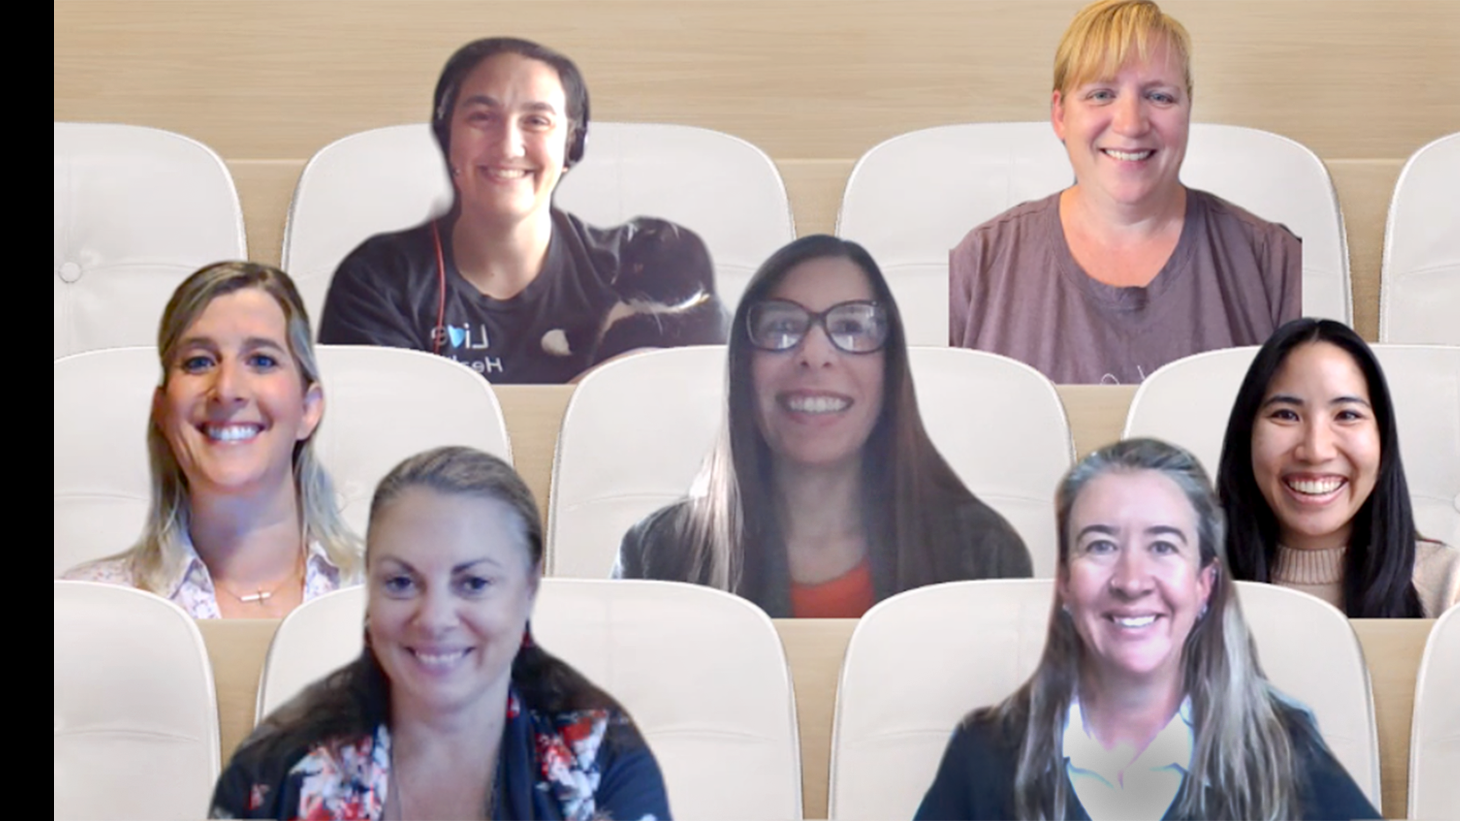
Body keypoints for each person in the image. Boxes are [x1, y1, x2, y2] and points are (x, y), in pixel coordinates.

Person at [914, 439, 1379, 821]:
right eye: (1100, 545)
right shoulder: (984, 755)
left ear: (1205, 585)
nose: (1131, 580)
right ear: (1065, 584)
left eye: (1162, 545)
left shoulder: (1283, 749)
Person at [211, 446, 670, 820]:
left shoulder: (603, 763)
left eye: (473, 584)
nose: (433, 619)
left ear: (528, 588)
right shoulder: (275, 769)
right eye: (401, 582)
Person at [615, 235, 1031, 617]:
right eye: (781, 327)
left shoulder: (984, 556)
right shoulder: (656, 557)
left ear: (890, 368)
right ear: (743, 366)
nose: (814, 354)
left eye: (851, 327)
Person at [319, 37, 728, 384]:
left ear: (571, 147)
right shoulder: (378, 283)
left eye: (536, 121)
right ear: (447, 139)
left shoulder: (634, 267)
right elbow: (382, 438)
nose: (508, 147)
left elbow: (703, 406)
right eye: (482, 117)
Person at [948, 0, 1300, 385]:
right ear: (1060, 114)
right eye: (1101, 94)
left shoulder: (1276, 265)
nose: (1131, 124)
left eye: (1160, 96)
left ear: (1187, 111)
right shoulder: (977, 266)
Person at [63, 262, 360, 619]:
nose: (226, 389)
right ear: (162, 410)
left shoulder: (394, 602)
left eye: (262, 360)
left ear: (308, 410)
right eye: (199, 362)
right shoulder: (85, 609)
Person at [1217, 318, 1459, 618]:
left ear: (1383, 440)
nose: (1316, 451)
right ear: (1247, 435)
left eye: (1346, 414)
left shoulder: (1450, 590)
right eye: (1286, 415)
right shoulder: (1178, 589)